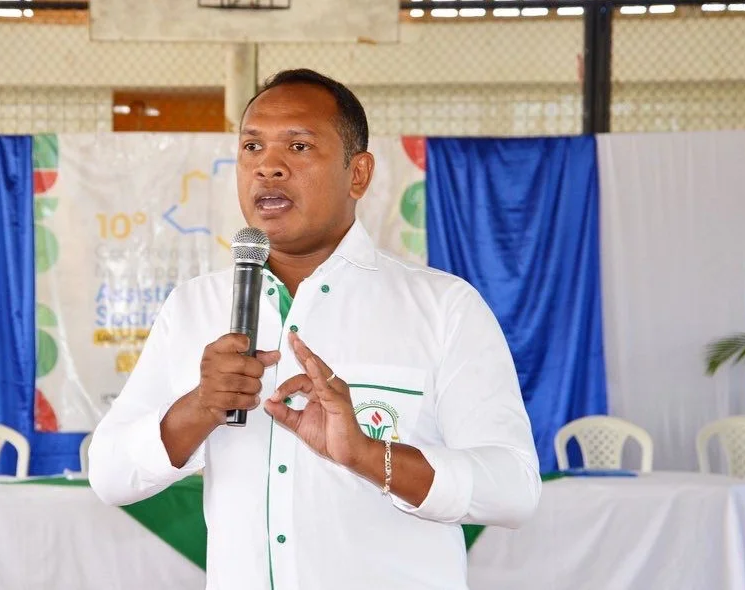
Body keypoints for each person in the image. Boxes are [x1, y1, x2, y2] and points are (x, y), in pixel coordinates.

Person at [88, 68, 541, 590]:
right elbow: (109, 474)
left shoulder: (444, 308)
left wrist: (370, 456)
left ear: (359, 174)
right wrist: (200, 407)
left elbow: (514, 488)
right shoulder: (194, 306)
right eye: (252, 147)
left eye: (299, 147)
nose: (268, 168)